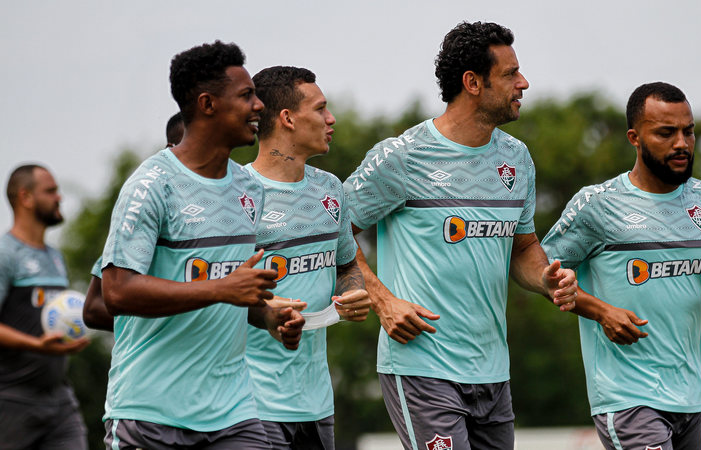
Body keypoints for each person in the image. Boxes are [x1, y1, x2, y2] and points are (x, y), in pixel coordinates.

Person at [342, 21, 578, 450]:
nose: (523, 83)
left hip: (493, 373)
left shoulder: (516, 158)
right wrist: (382, 300)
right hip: (421, 367)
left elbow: (522, 248)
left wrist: (546, 278)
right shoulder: (403, 156)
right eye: (510, 74)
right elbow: (334, 229)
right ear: (472, 82)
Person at [98, 41, 304, 449]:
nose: (259, 105)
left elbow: (233, 292)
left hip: (234, 413)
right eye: (246, 96)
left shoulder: (248, 187)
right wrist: (222, 290)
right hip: (150, 415)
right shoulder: (152, 184)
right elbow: (115, 291)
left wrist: (266, 317)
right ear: (208, 104)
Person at [541, 82, 701, 450]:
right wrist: (601, 311)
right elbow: (541, 275)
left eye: (688, 131)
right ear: (634, 137)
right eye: (666, 133)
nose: (682, 144)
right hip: (628, 398)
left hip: (690, 397)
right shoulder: (598, 205)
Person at [244, 65, 370, 449]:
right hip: (253, 405)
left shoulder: (329, 187)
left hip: (317, 406)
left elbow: (347, 264)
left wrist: (352, 291)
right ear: (287, 119)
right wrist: (264, 305)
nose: (330, 119)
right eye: (320, 109)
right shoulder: (237, 195)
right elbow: (211, 289)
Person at [0, 164, 89, 449]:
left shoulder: (55, 257)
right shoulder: (6, 254)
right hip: (11, 400)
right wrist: (37, 345)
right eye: (50, 191)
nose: (59, 198)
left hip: (58, 400)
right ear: (25, 197)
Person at [83, 111, 186, 332]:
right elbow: (93, 308)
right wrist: (167, 327)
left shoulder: (229, 204)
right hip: (157, 360)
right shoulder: (149, 204)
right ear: (170, 148)